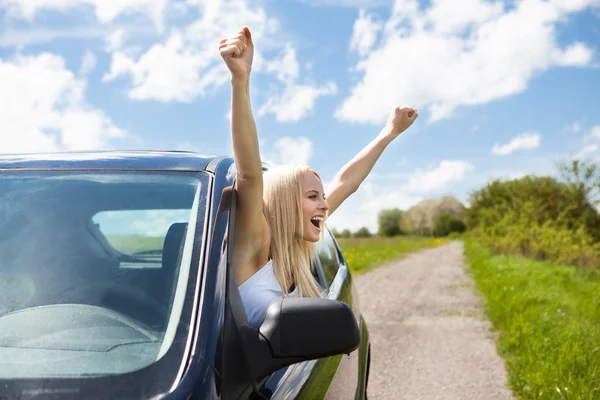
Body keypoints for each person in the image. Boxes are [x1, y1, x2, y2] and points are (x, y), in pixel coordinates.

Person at [219, 27, 418, 328]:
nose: (325, 205)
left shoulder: (299, 249)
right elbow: (248, 175)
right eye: (313, 197)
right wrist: (240, 79)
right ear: (285, 203)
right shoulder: (255, 250)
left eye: (322, 197)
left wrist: (389, 133)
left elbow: (347, 183)